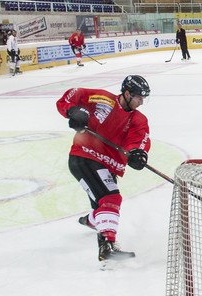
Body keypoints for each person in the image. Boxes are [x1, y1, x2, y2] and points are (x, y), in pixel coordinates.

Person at [55, 75, 152, 261]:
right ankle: (107, 246)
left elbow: (139, 140)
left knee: (104, 204)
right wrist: (73, 111)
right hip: (84, 156)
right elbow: (73, 95)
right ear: (127, 93)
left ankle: (90, 220)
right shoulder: (103, 99)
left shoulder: (138, 119)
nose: (141, 102)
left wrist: (138, 154)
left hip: (108, 166)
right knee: (111, 198)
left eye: (143, 99)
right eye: (139, 97)